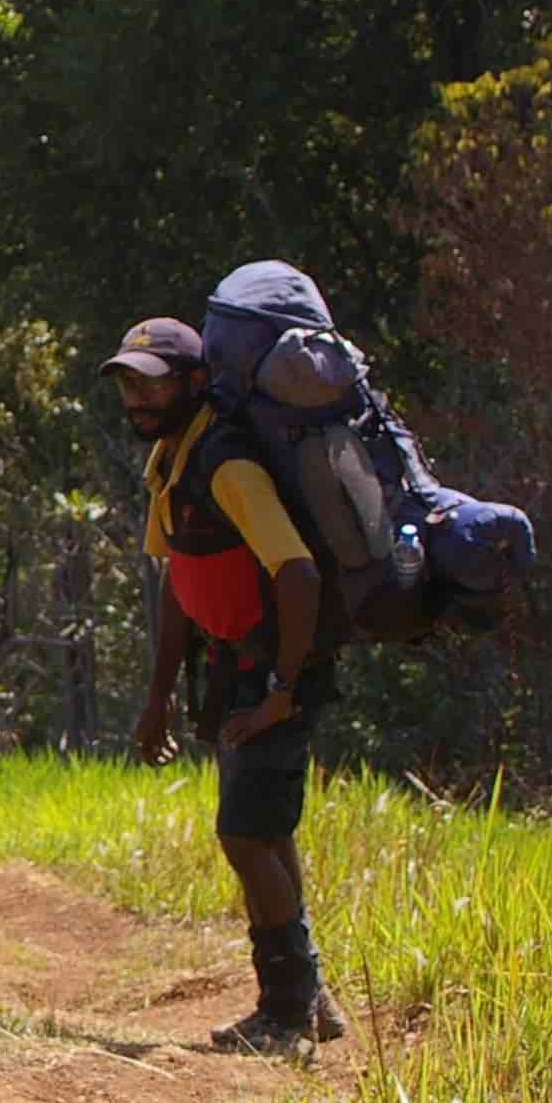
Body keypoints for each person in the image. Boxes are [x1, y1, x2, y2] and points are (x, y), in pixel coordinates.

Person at [101, 317, 349, 1054]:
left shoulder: (228, 464)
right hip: (234, 669)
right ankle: (311, 999)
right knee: (265, 830)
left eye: (153, 381)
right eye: (127, 383)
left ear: (197, 382)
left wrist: (282, 686)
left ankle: (284, 1015)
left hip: (271, 668)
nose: (137, 398)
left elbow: (297, 571)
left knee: (243, 835)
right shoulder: (171, 462)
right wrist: (158, 695)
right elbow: (179, 582)